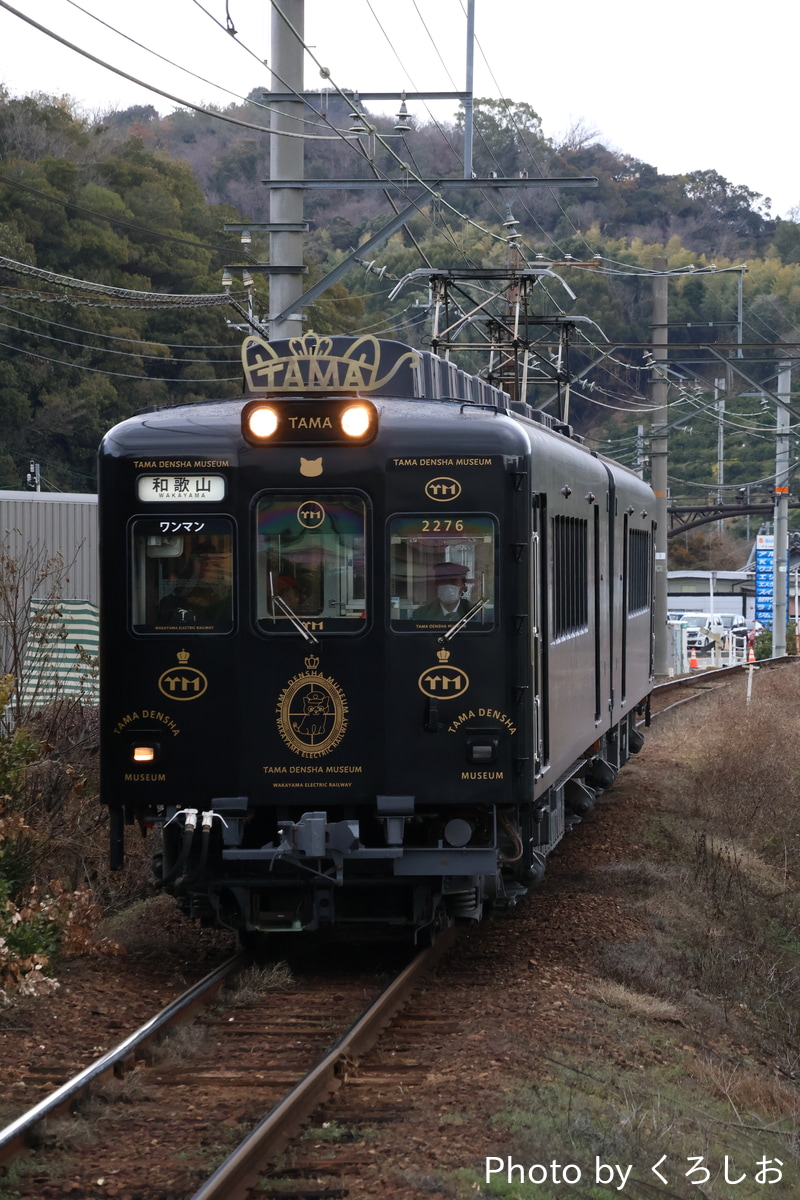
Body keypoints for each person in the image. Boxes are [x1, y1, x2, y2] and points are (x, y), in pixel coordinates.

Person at [158, 541, 232, 627]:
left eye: (210, 560)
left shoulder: (224, 593)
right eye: (200, 559)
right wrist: (196, 573)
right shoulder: (176, 591)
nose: (206, 564)